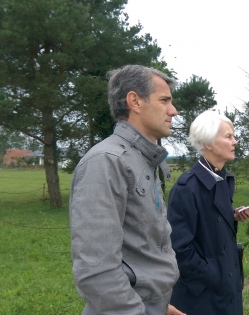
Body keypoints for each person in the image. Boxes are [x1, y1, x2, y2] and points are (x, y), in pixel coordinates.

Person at [70, 65, 185, 315]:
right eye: (164, 100)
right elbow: (96, 272)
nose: (173, 111)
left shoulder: (144, 159)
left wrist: (160, 306)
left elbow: (141, 248)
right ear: (135, 101)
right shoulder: (107, 162)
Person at [167, 110, 249, 315]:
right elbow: (178, 247)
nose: (235, 142)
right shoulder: (186, 188)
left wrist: (231, 216)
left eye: (234, 136)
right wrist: (212, 277)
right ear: (208, 143)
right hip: (202, 297)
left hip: (227, 287)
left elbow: (210, 224)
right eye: (228, 136)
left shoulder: (222, 179)